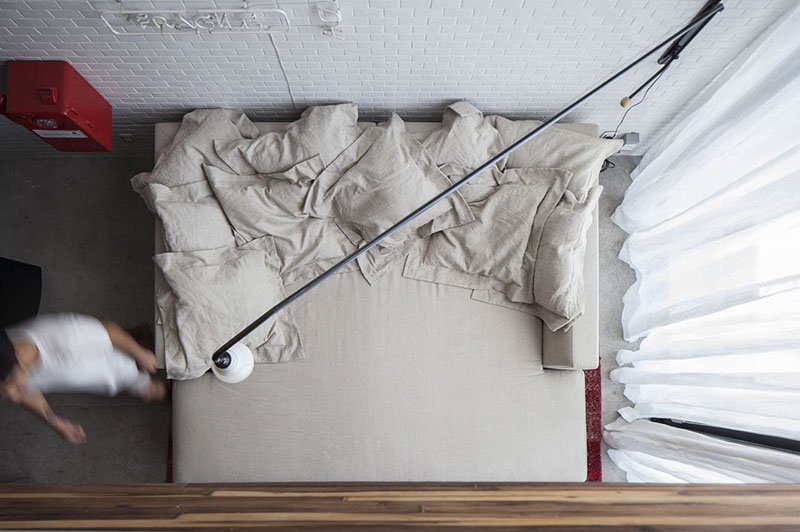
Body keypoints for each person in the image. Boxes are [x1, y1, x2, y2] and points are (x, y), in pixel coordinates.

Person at [0, 313, 166, 444]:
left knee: (145, 385)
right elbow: (24, 392)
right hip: (90, 369)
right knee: (117, 376)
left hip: (95, 356)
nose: (14, 397)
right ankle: (135, 341)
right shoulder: (13, 371)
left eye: (10, 387)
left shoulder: (65, 336)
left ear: (18, 359)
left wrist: (140, 353)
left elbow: (109, 330)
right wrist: (55, 422)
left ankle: (137, 347)